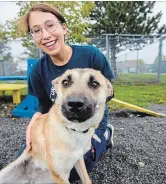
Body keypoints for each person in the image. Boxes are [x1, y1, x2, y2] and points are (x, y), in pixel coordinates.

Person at [17, 3, 115, 183]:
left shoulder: (92, 56)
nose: (45, 35)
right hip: (59, 127)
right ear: (33, 36)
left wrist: (96, 130)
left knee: (75, 168)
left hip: (89, 124)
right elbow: (44, 104)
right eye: (36, 30)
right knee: (28, 161)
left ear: (63, 28)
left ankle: (106, 135)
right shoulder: (38, 71)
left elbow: (105, 97)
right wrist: (36, 116)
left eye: (50, 25)